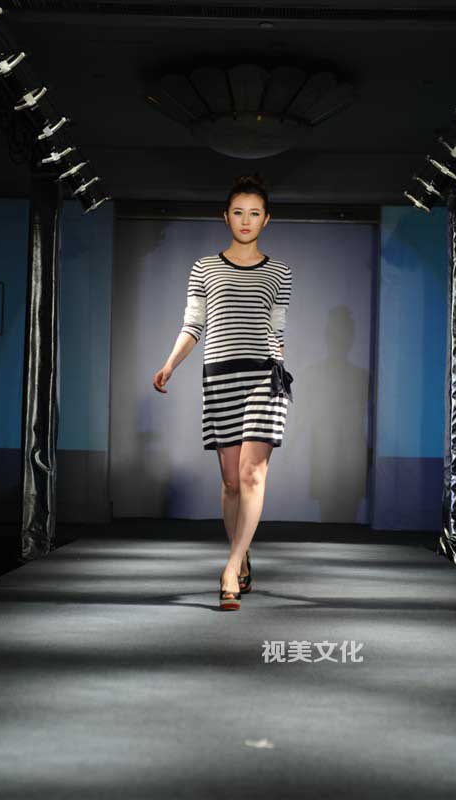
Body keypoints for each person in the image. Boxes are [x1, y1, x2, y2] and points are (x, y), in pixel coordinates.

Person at [153, 173, 293, 611]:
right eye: (238, 212)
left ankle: (231, 568)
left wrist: (279, 366)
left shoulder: (281, 273)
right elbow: (193, 324)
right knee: (231, 482)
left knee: (253, 474)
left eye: (254, 213)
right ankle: (242, 552)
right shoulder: (204, 268)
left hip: (264, 377)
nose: (246, 220)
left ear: (266, 219)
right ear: (225, 216)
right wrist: (170, 364)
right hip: (220, 379)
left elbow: (277, 330)